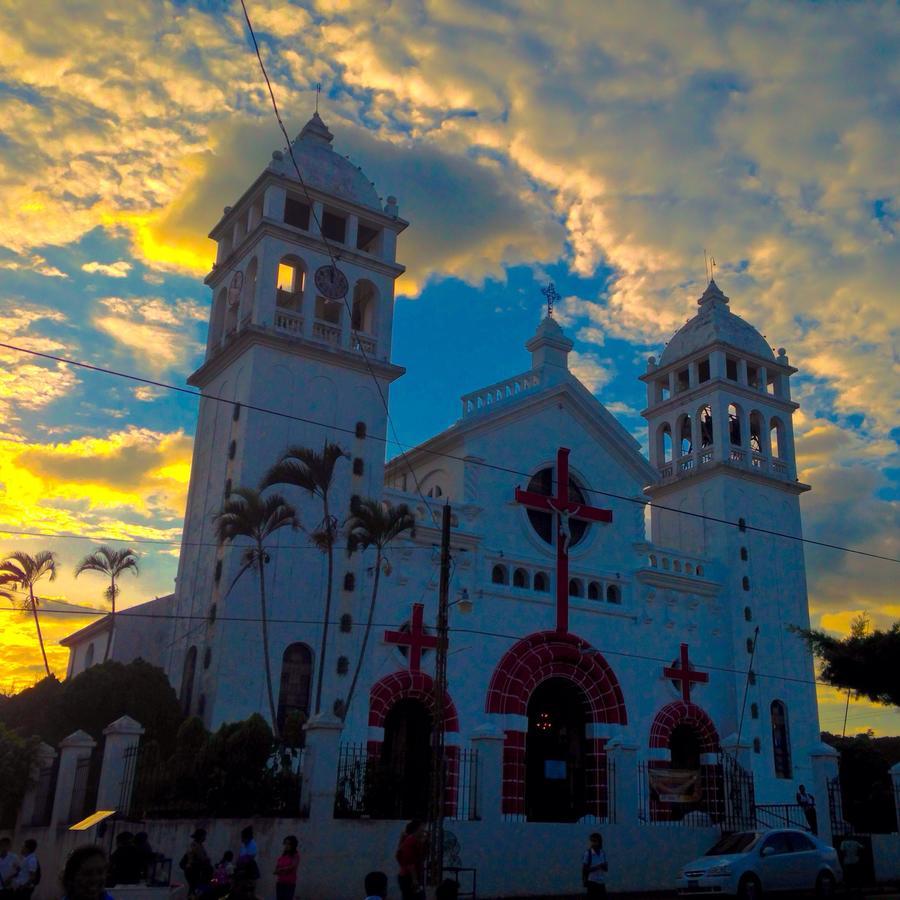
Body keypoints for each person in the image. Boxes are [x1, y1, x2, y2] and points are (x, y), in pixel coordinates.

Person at [395, 821, 427, 900]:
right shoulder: (410, 841)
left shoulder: (413, 841)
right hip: (409, 877)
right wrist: (414, 880)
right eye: (421, 829)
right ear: (416, 830)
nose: (424, 831)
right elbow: (410, 863)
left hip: (410, 876)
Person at [180, 829, 213, 898]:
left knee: (194, 888)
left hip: (193, 870)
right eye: (204, 836)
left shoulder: (197, 845)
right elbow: (202, 859)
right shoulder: (196, 846)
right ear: (201, 837)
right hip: (193, 870)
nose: (205, 838)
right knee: (196, 888)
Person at [582, 832, 608, 898]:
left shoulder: (602, 853)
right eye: (591, 841)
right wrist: (598, 866)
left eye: (594, 841)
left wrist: (604, 866)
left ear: (599, 842)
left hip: (601, 882)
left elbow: (606, 869)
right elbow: (585, 869)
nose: (592, 843)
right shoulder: (588, 853)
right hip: (592, 882)